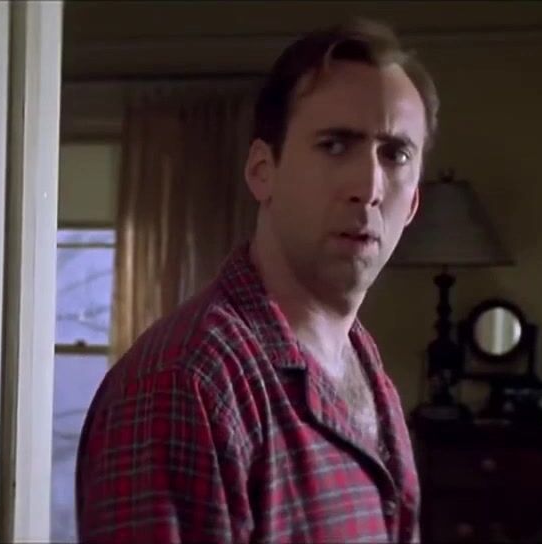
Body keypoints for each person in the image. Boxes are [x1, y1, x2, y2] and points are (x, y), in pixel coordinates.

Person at [76, 18, 439, 543]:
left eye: (395, 154)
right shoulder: (187, 383)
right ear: (262, 171)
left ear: (414, 203)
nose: (368, 186)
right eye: (335, 145)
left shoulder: (366, 366)